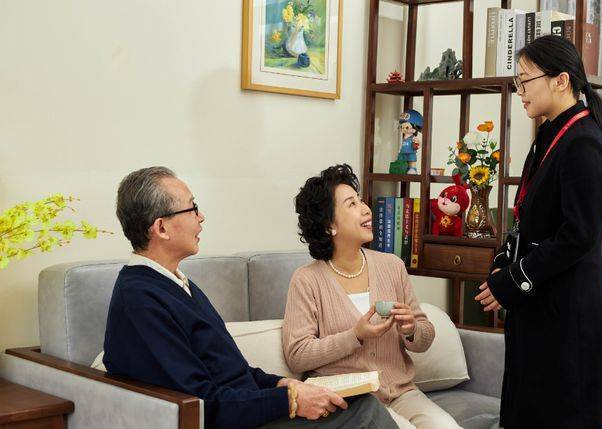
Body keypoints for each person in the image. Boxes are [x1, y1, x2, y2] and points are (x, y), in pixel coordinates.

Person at [103, 166, 398, 429]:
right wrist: (290, 401)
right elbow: (202, 403)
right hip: (235, 421)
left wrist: (282, 383)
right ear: (161, 228)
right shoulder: (140, 300)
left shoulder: (177, 285)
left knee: (358, 403)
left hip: (247, 411)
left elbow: (234, 372)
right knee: (364, 412)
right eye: (192, 208)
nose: (201, 217)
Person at [475, 35, 602, 428]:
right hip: (541, 308)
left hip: (567, 314)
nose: (519, 91)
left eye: (525, 80)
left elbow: (579, 235)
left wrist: (515, 279)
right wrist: (504, 262)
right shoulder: (551, 133)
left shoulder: (583, 142)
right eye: (517, 81)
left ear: (560, 80)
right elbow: (532, 217)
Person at [283, 164, 462, 429]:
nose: (366, 209)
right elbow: (297, 355)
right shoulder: (307, 279)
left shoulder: (392, 266)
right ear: (330, 225)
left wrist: (412, 329)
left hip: (402, 394)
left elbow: (425, 335)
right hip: (351, 403)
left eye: (361, 200)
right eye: (352, 204)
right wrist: (354, 336)